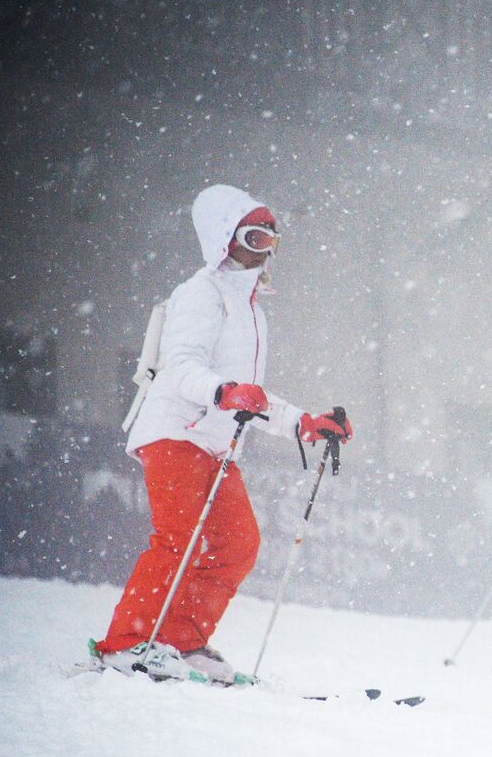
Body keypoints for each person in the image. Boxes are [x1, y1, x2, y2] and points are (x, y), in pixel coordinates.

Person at [91, 184, 352, 684]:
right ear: (223, 238)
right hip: (175, 430)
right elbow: (180, 369)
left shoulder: (254, 311)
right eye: (254, 236)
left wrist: (303, 422)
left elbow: (247, 395)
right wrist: (222, 391)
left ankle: (182, 643)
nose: (265, 250)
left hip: (214, 443)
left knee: (237, 544)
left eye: (273, 239)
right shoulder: (200, 293)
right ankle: (126, 644)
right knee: (179, 538)